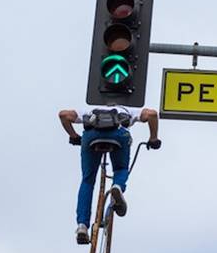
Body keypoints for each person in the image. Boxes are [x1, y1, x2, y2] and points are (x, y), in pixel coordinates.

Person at [58, 104, 161, 244]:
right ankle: (117, 186)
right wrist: (153, 138)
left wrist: (74, 136)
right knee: (120, 169)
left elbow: (63, 115)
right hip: (118, 134)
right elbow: (153, 114)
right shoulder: (128, 110)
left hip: (91, 134)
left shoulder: (90, 110)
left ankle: (82, 225)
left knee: (87, 181)